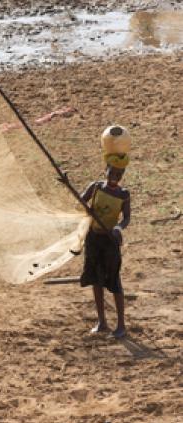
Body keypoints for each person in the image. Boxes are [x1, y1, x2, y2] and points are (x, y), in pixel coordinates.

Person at [80, 126, 131, 338]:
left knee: (114, 282)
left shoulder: (124, 194)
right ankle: (102, 322)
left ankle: (121, 325)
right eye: (112, 172)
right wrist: (86, 208)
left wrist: (118, 228)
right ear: (106, 169)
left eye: (119, 174)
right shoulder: (96, 187)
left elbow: (126, 218)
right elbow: (80, 201)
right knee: (96, 280)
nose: (115, 177)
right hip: (94, 239)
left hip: (110, 241)